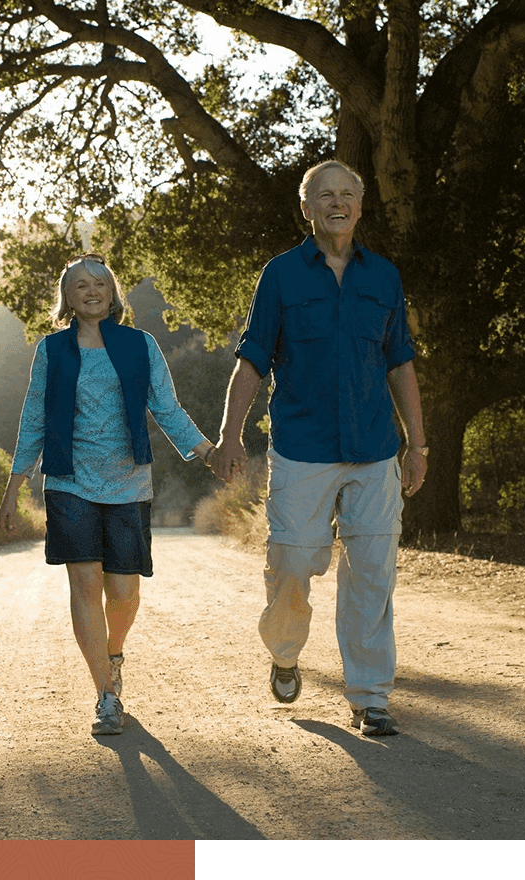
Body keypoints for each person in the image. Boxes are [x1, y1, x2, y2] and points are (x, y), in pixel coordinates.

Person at [210, 161, 427, 736]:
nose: (338, 203)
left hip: (375, 448)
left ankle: (370, 696)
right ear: (306, 208)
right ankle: (284, 650)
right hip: (303, 448)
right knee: (293, 562)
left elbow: (400, 361)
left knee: (373, 574)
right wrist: (230, 436)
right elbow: (253, 360)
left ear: (360, 206)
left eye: (348, 195)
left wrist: (418, 444)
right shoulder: (280, 276)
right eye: (325, 195)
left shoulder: (383, 278)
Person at [0, 253, 219, 736]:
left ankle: (113, 653)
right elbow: (33, 417)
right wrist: (14, 487)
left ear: (114, 293)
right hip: (68, 481)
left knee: (123, 590)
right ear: (68, 297)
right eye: (80, 285)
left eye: (100, 282)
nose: (91, 290)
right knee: (85, 585)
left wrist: (208, 452)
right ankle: (104, 694)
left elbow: (167, 408)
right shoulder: (51, 351)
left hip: (127, 482)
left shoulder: (140, 345)